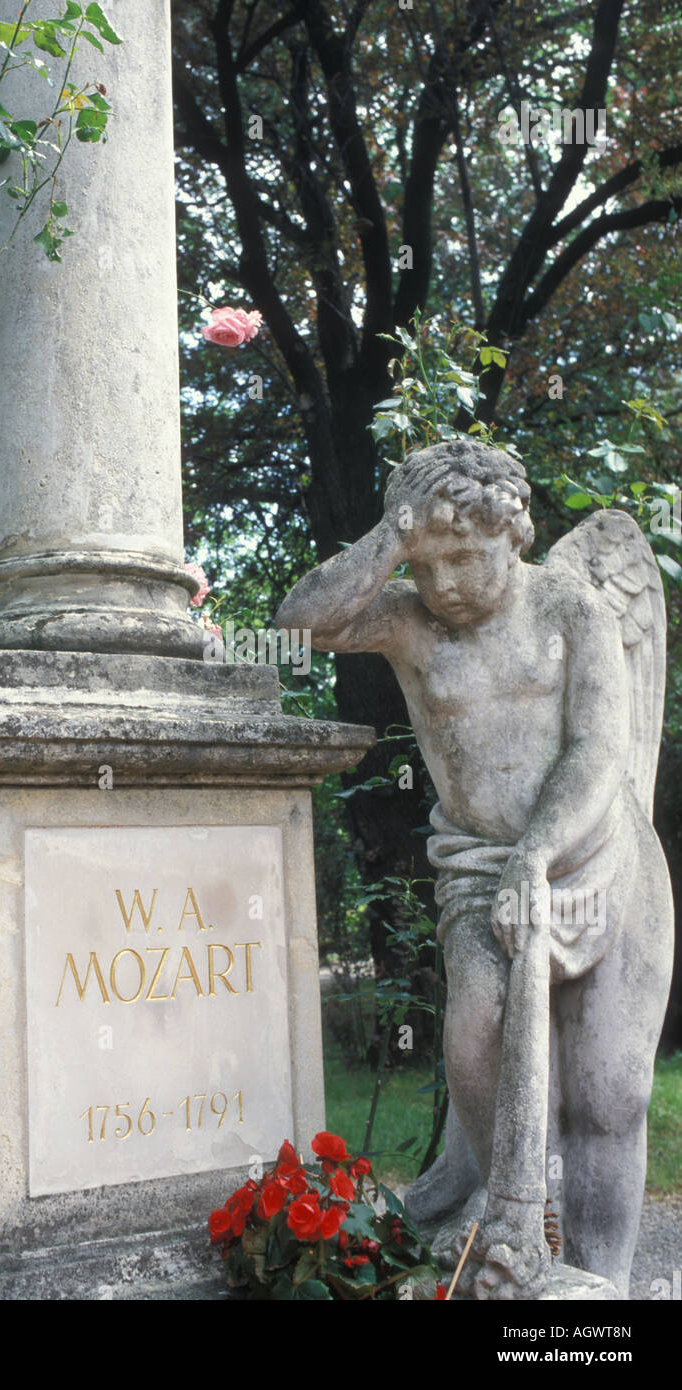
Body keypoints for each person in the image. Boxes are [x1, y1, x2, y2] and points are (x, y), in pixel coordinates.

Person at [275, 438, 673, 1297]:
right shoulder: (409, 619)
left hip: (600, 858)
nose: (444, 582)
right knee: (475, 1033)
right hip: (479, 869)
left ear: (513, 535)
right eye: (429, 563)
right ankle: (520, 1234)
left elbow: (597, 750)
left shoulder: (571, 609)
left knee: (609, 1095)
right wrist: (393, 540)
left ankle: (599, 1290)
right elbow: (295, 625)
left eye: (463, 557)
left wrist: (539, 852)